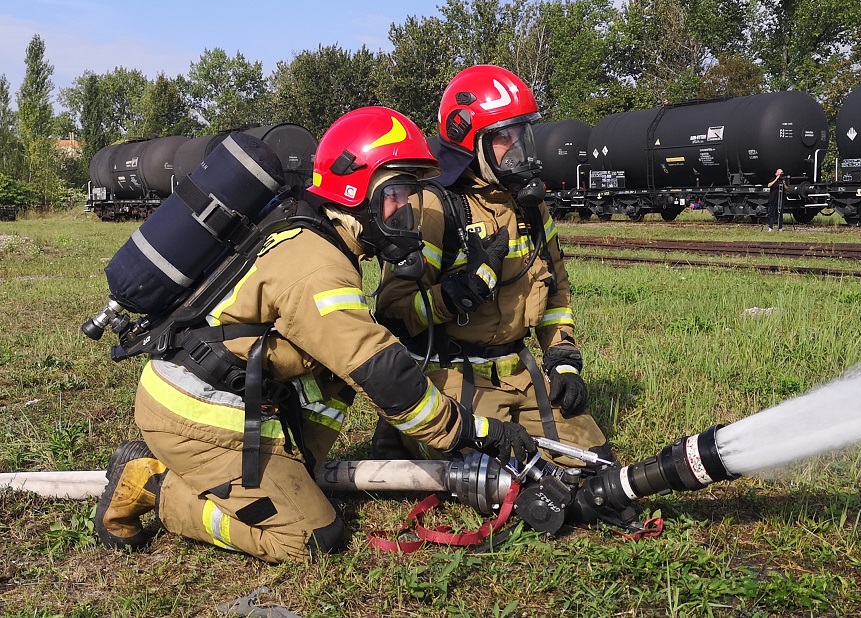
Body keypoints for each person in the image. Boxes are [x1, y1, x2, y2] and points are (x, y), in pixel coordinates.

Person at [95, 107, 536, 564]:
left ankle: (291, 468)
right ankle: (151, 484)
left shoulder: (317, 231)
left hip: (214, 394)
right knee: (310, 540)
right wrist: (475, 430)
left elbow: (355, 348)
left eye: (410, 194)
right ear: (356, 189)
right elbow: (386, 375)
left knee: (337, 373)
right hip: (196, 417)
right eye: (396, 193)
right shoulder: (319, 267)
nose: (406, 209)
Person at [372, 65, 616, 473]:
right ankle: (401, 428)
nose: (517, 146)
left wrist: (563, 359)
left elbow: (556, 289)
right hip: (451, 375)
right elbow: (394, 311)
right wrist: (455, 295)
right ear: (471, 143)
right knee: (505, 475)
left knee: (593, 464)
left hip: (519, 373)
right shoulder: (435, 207)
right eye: (503, 137)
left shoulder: (530, 205)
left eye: (522, 133)